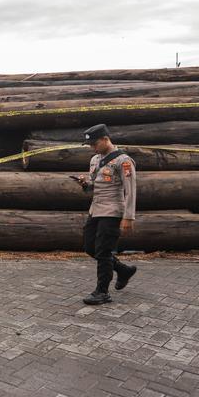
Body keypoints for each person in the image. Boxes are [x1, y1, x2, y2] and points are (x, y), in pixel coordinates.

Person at [72, 124, 137, 305]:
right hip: (96, 209)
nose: (93, 148)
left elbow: (131, 190)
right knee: (89, 247)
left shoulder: (123, 161)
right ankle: (123, 270)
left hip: (113, 210)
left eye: (94, 144)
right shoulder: (95, 160)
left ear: (105, 139)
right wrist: (85, 183)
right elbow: (95, 184)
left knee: (103, 250)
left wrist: (128, 216)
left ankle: (102, 291)